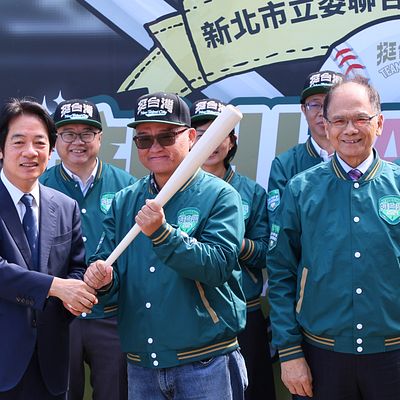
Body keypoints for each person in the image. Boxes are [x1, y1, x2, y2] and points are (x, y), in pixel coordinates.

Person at [84, 92, 248, 399]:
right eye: (144, 140)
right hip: (142, 363)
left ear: (191, 137)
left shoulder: (220, 195)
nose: (155, 147)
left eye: (166, 136)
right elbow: (108, 265)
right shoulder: (125, 200)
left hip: (205, 362)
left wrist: (162, 233)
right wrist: (102, 279)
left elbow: (218, 266)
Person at [266, 75, 400, 400]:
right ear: (326, 127)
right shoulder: (301, 189)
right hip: (320, 357)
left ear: (379, 123)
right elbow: (281, 272)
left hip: (392, 356)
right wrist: (290, 353)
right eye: (339, 120)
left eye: (360, 119)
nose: (350, 129)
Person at [0, 98, 97, 399]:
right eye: (19, 142)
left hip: (50, 366)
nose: (30, 152)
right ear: (1, 149)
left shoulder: (65, 207)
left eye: (40, 143)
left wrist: (80, 293)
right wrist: (55, 287)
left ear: (51, 149)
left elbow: (76, 267)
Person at [40, 99, 136, 400]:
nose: (77, 142)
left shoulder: (127, 186)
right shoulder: (39, 186)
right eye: (68, 134)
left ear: (100, 138)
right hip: (57, 315)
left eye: (86, 134)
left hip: (112, 314)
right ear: (55, 140)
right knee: (58, 392)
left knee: (115, 393)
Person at [190, 98, 276, 400]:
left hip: (243, 311)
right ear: (189, 139)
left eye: (219, 133)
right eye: (202, 135)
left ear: (232, 141)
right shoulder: (173, 188)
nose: (211, 143)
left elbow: (267, 253)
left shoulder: (251, 192)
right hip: (190, 311)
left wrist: (229, 243)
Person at [267, 70, 343, 222]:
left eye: (330, 104)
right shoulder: (285, 164)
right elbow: (279, 220)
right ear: (303, 109)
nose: (322, 113)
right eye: (315, 104)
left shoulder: (357, 159)